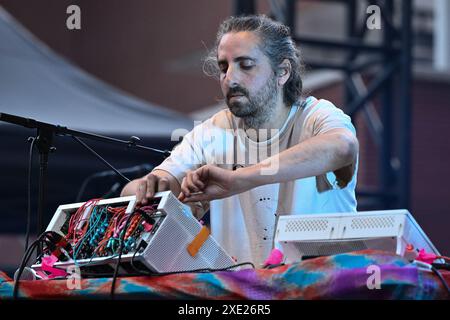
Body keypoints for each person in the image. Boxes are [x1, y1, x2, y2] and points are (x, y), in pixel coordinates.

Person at [121, 15, 359, 267]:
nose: (230, 79)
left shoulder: (317, 116)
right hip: (239, 298)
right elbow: (131, 192)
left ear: (283, 72)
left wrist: (239, 180)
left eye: (245, 65)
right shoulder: (211, 132)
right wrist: (156, 186)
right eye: (224, 67)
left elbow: (343, 147)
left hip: (320, 288)